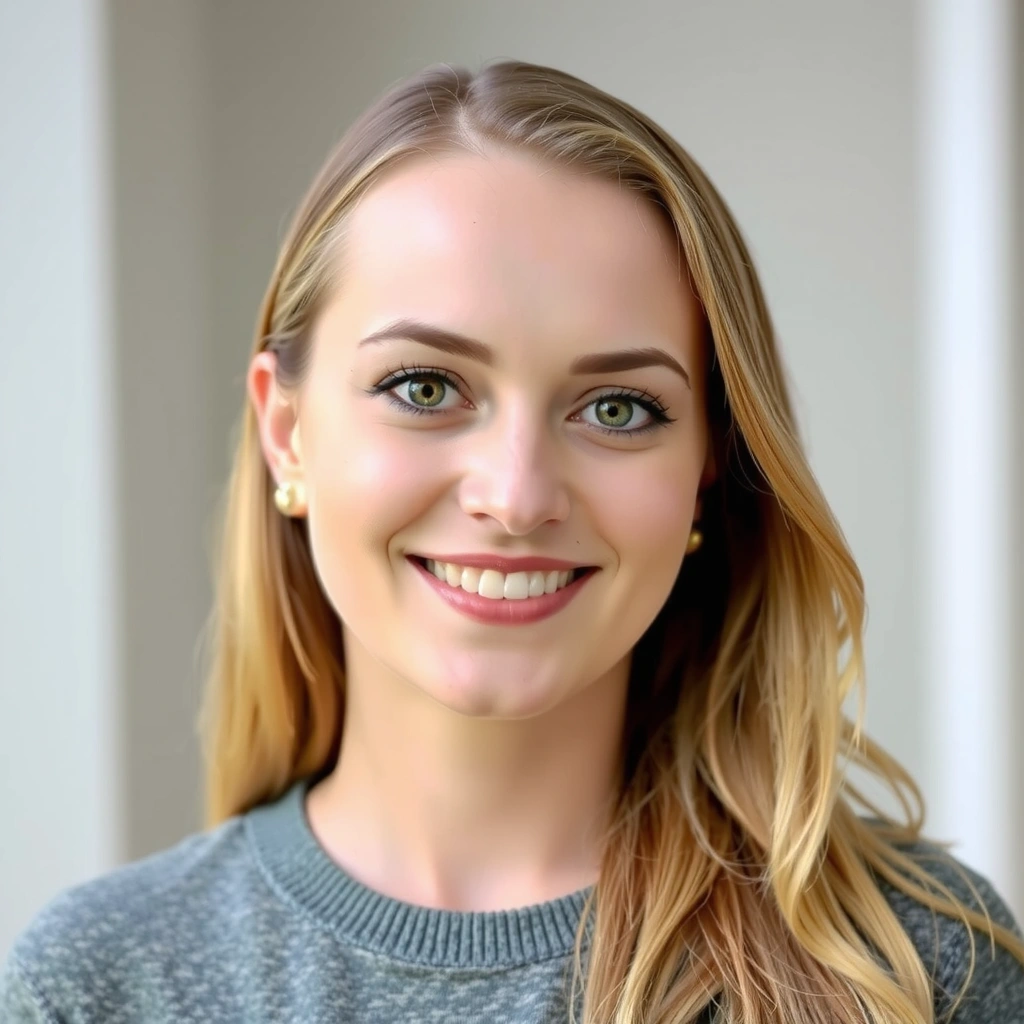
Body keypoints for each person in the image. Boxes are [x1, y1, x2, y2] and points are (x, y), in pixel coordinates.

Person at [2, 58, 1023, 1024]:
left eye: (618, 407)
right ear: (287, 433)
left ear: (709, 462)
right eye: (425, 387)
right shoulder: (100, 981)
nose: (518, 494)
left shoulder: (911, 965)